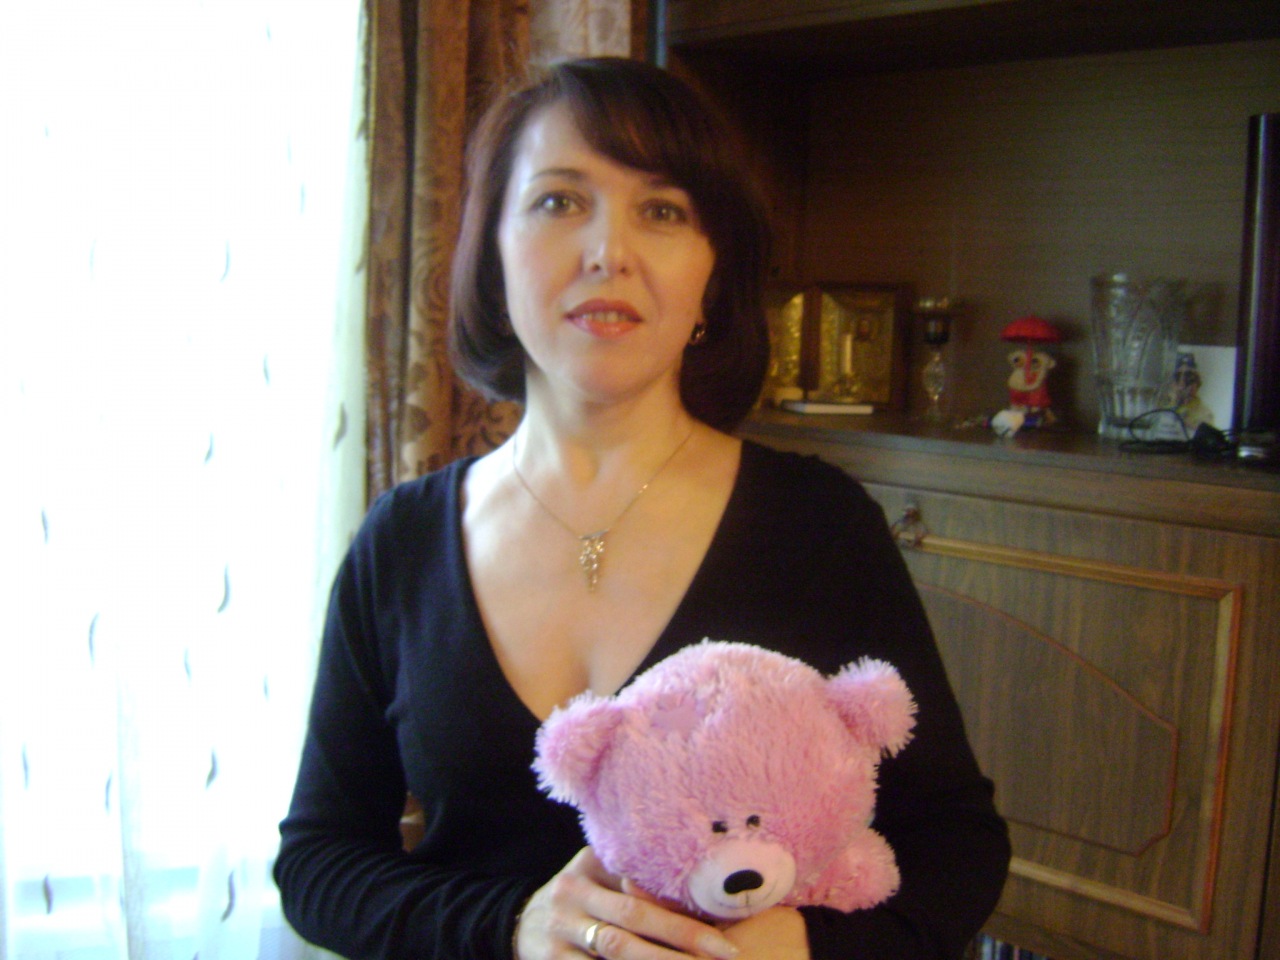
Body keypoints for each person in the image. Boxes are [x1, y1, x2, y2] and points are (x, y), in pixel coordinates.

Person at [274, 56, 1010, 960]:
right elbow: (318, 862)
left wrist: (803, 948)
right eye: (558, 201)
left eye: (661, 211)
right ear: (492, 254)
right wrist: (510, 927)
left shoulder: (820, 525)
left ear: (711, 275)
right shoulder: (403, 541)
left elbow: (958, 845)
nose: (608, 252)